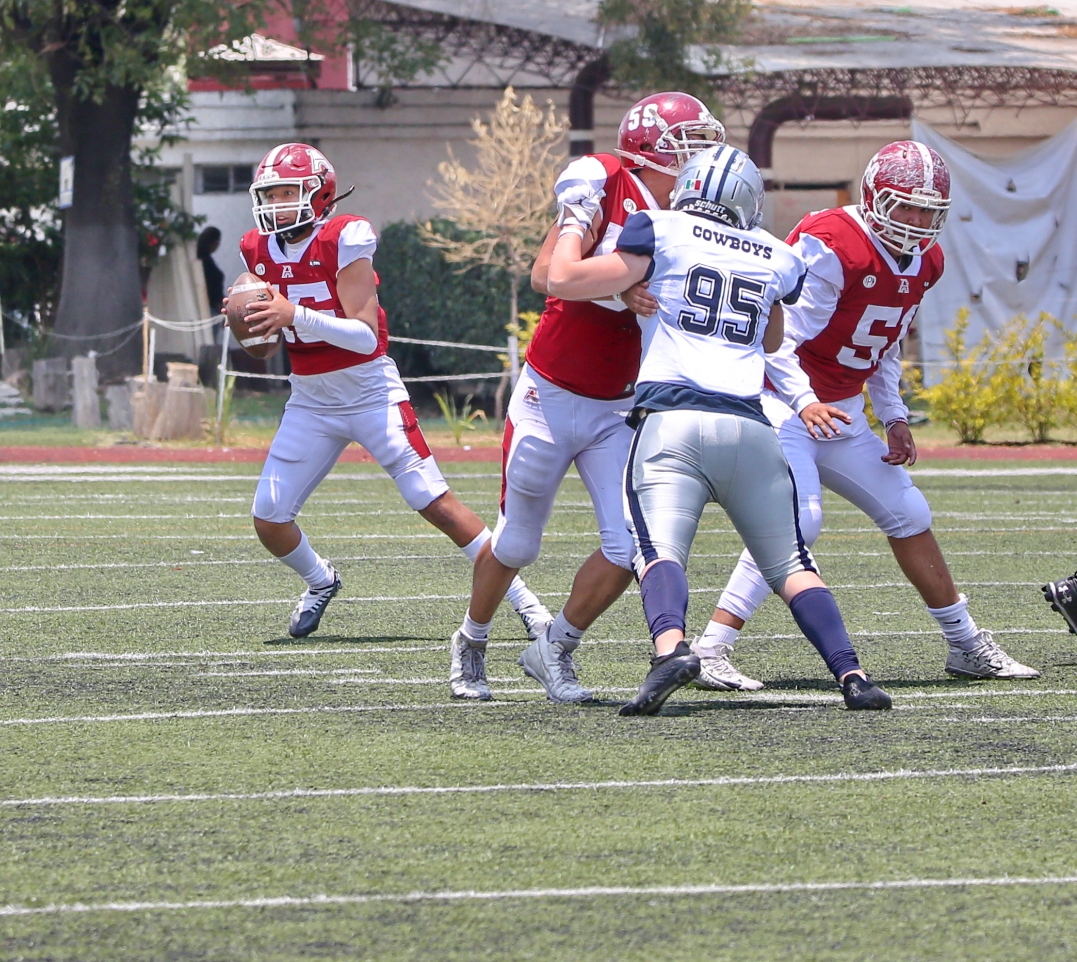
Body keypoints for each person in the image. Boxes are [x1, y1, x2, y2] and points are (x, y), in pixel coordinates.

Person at [543, 143, 891, 714]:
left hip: (672, 421)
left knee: (659, 552)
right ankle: (852, 674)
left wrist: (575, 220)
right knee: (791, 563)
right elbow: (773, 339)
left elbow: (562, 278)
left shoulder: (658, 227)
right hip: (750, 428)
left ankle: (671, 650)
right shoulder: (777, 254)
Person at [691, 141, 1037, 688]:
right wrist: (804, 402)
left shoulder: (927, 261)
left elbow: (885, 343)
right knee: (801, 520)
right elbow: (776, 340)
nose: (917, 223)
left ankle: (966, 644)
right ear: (875, 197)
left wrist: (894, 415)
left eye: (927, 211)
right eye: (907, 207)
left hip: (841, 410)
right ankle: (711, 647)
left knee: (909, 511)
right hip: (780, 401)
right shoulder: (833, 243)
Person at [463, 92, 721, 703]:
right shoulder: (604, 178)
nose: (701, 157)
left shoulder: (693, 212)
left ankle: (554, 647)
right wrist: (615, 286)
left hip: (620, 404)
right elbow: (545, 274)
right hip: (551, 392)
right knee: (518, 541)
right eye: (691, 144)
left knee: (628, 545)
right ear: (652, 148)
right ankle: (471, 639)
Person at [235, 142, 550, 639]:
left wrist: (294, 314)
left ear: (319, 195)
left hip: (369, 393)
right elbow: (263, 340)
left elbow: (365, 336)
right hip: (311, 399)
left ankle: (528, 604)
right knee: (269, 519)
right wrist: (251, 325)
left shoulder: (343, 237)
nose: (276, 205)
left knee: (435, 502)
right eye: (269, 195)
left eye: (286, 193)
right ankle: (320, 580)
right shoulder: (255, 248)